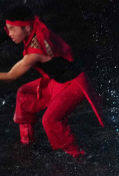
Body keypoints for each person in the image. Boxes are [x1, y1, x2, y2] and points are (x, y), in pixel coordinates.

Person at [1, 5, 104, 157]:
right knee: (24, 94)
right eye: (7, 29)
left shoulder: (35, 51)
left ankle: (76, 155)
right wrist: (11, 30)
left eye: (12, 29)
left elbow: (11, 75)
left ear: (26, 28)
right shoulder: (34, 26)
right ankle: (27, 143)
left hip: (73, 85)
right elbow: (10, 33)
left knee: (50, 120)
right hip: (56, 81)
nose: (9, 33)